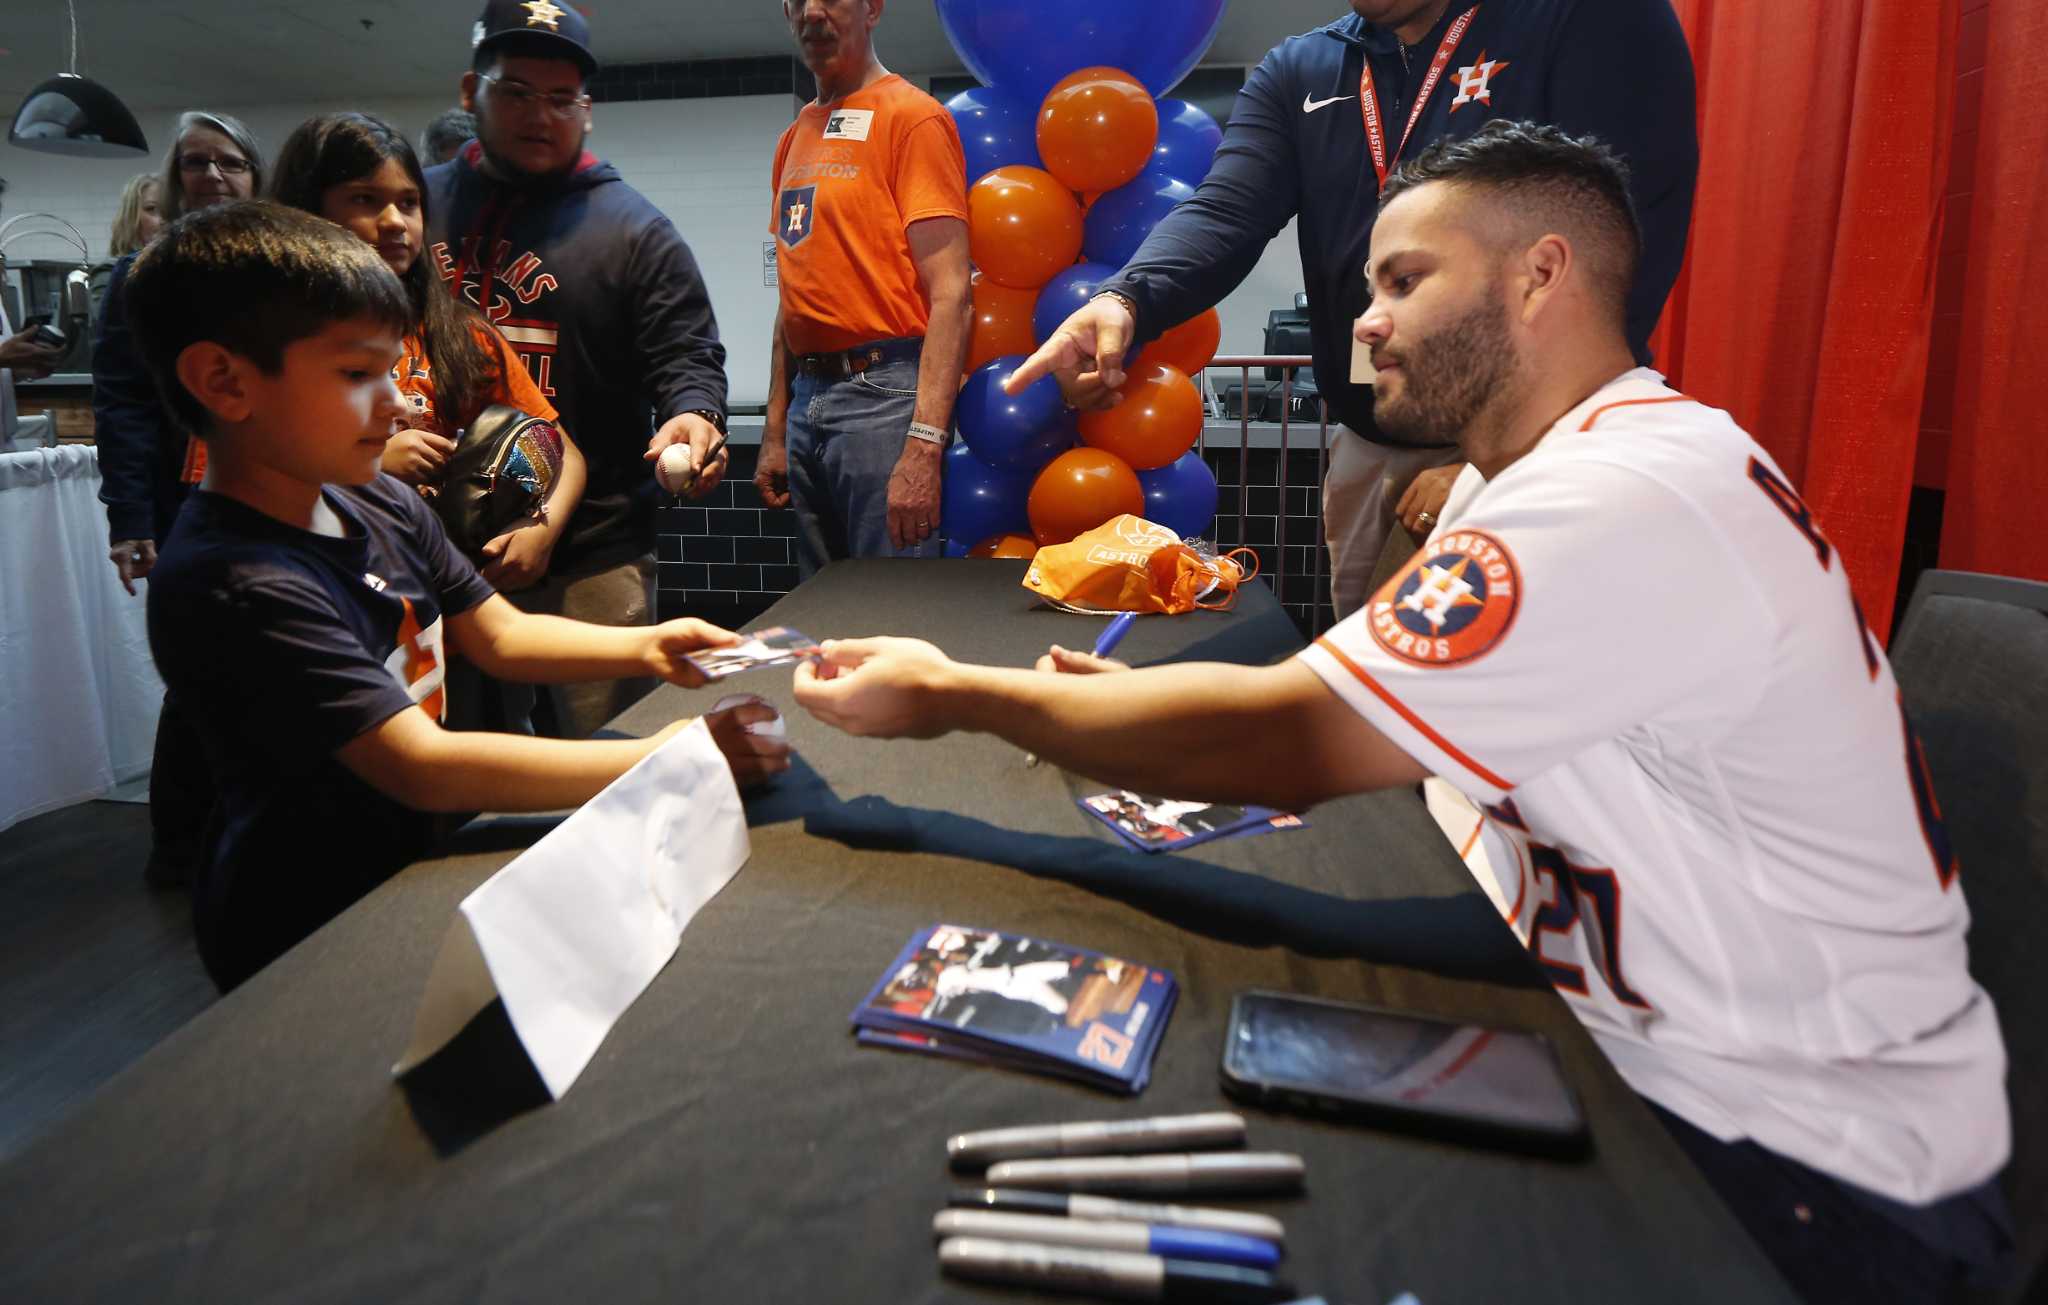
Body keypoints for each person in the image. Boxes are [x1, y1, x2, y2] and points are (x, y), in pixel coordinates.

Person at [796, 123, 2013, 1303]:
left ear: (1541, 275)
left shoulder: (1616, 494)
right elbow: (1372, 712)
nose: (1363, 320)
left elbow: (1291, 740)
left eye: (1402, 280)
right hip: (1666, 1052)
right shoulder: (1538, 471)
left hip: (1804, 1168)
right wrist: (1164, 705)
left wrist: (953, 694)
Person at [125, 199, 789, 993]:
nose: (400, 403)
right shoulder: (232, 581)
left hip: (413, 869)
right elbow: (424, 764)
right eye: (356, 374)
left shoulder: (379, 499)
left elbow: (500, 636)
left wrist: (648, 644)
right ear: (224, 381)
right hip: (301, 929)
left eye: (393, 369)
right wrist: (658, 757)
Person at [1009, 0, 1697, 620]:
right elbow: (1225, 212)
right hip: (1371, 442)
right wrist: (1125, 299)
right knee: (1386, 712)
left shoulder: (1584, 19)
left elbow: (1619, 245)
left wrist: (1509, 451)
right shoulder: (1303, 68)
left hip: (1539, 445)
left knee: (1508, 715)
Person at [424, 0, 731, 740]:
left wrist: (695, 415)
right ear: (472, 93)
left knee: (607, 758)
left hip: (593, 545)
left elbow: (688, 356)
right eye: (518, 92)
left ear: (587, 112)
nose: (541, 115)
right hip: (434, 545)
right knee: (455, 763)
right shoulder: (419, 207)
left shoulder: (633, 229)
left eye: (562, 99)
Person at [270, 110, 592, 732]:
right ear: (309, 211)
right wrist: (369, 466)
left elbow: (561, 447)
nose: (393, 222)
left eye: (409, 203)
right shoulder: (271, 347)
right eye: (365, 200)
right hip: (331, 615)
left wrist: (541, 528)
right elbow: (232, 495)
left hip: (449, 604)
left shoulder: (460, 333)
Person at [93, 109, 264, 890]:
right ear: (175, 178)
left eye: (228, 162)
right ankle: (179, 845)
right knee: (199, 671)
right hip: (184, 503)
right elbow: (122, 404)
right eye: (196, 163)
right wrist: (130, 519)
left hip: (271, 495)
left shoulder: (276, 270)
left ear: (254, 175)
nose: (213, 176)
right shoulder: (142, 278)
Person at [754, 0, 971, 576]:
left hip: (885, 401)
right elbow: (793, 296)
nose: (814, 14)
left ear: (873, 8)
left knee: (894, 612)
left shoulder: (913, 118)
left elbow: (952, 294)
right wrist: (776, 429)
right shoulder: (792, 139)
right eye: (799, 1)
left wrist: (925, 445)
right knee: (824, 612)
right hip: (808, 400)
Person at [108, 172, 163, 258]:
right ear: (130, 217)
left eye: (169, 208)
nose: (164, 219)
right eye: (151, 209)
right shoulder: (109, 269)